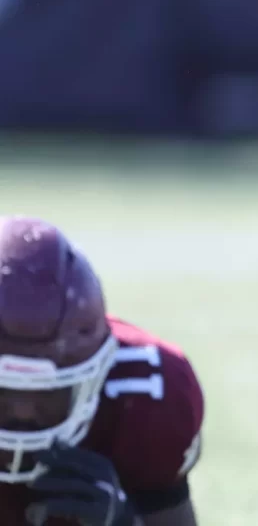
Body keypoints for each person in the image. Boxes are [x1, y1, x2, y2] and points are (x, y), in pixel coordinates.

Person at [0, 216, 204, 526]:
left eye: (46, 392)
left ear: (96, 371)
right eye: (4, 389)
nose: (24, 412)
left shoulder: (146, 396)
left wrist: (124, 520)